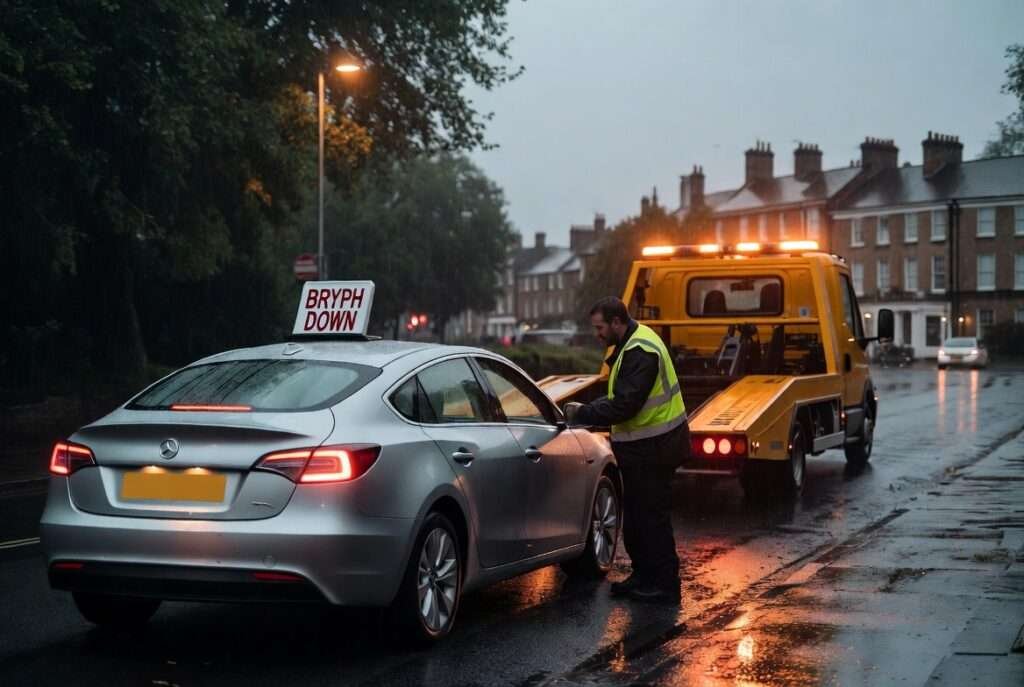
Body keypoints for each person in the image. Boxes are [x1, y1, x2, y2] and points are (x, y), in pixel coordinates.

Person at [564, 297, 688, 604]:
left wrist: (584, 414)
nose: (598, 334)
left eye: (601, 327)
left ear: (617, 322)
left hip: (657, 448)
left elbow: (626, 404)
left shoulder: (639, 350)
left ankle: (664, 585)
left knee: (652, 517)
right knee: (637, 517)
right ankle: (644, 577)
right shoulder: (631, 344)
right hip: (646, 448)